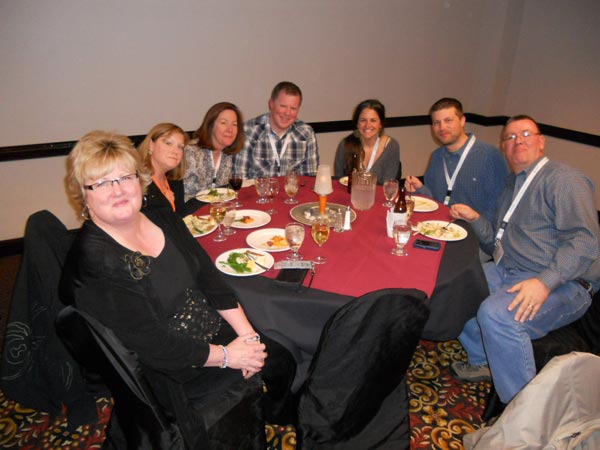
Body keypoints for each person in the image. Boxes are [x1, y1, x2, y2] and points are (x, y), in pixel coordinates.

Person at [60, 131, 297, 442]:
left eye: (125, 177)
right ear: (84, 194)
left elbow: (209, 279)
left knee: (280, 356)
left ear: (139, 180)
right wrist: (229, 356)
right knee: (237, 394)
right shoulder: (97, 260)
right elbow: (153, 343)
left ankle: (272, 416)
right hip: (171, 365)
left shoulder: (161, 217)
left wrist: (248, 337)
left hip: (208, 327)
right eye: (102, 183)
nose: (118, 190)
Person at [448, 115, 600, 407]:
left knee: (496, 315)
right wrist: (476, 218)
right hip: (510, 269)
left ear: (541, 142)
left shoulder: (562, 180)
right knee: (457, 289)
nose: (517, 141)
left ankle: (525, 413)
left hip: (566, 281)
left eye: (526, 134)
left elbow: (585, 241)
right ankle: (482, 360)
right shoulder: (511, 186)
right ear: (503, 147)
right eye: (510, 137)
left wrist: (544, 283)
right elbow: (495, 244)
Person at [405, 98, 508, 223]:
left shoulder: (490, 156)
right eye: (436, 123)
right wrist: (420, 188)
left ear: (462, 121)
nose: (442, 127)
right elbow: (434, 199)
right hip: (437, 224)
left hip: (471, 230)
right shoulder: (437, 156)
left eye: (448, 120)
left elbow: (498, 208)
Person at [234, 81, 319, 178]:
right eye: (283, 106)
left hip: (292, 188)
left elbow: (310, 179)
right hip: (258, 188)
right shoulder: (250, 131)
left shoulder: (306, 133)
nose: (287, 113)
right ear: (271, 104)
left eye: (293, 108)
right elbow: (240, 178)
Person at [183, 102, 244, 202]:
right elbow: (183, 197)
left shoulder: (227, 155)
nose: (230, 129)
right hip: (190, 209)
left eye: (234, 124)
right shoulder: (191, 152)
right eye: (223, 123)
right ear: (210, 125)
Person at [333, 99, 401, 183]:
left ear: (381, 124)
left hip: (379, 192)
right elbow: (339, 182)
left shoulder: (391, 147)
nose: (367, 125)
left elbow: (388, 184)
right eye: (363, 120)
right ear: (357, 123)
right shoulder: (345, 145)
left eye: (373, 120)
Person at [138, 122, 189, 215]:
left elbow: (181, 217)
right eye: (168, 143)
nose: (175, 151)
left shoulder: (174, 181)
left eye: (180, 147)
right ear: (151, 145)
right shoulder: (137, 182)